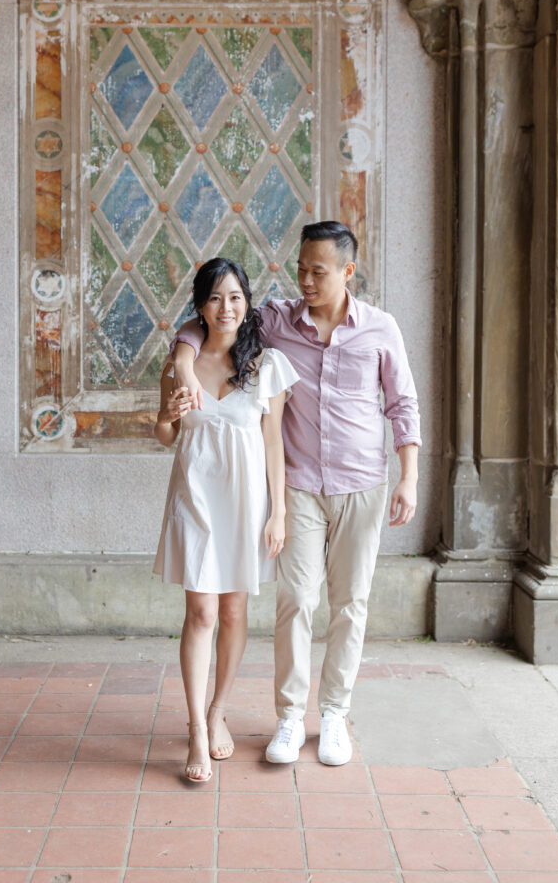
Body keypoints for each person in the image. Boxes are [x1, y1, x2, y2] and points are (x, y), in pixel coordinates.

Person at [171, 221, 421, 768]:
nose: (305, 279)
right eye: (300, 268)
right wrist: (184, 363)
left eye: (318, 271)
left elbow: (403, 403)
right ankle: (290, 715)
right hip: (300, 485)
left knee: (350, 604)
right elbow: (211, 319)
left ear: (347, 272)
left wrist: (409, 475)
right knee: (295, 600)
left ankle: (333, 714)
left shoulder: (380, 328)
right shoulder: (278, 319)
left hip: (362, 483)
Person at [153, 257, 298, 783]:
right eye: (215, 298)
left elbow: (274, 444)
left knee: (235, 614)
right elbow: (166, 436)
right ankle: (194, 727)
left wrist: (278, 512)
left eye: (235, 296)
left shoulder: (267, 366)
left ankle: (219, 712)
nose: (226, 307)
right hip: (194, 499)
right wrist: (167, 417)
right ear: (200, 307)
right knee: (201, 616)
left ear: (247, 302)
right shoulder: (176, 363)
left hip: (245, 503)